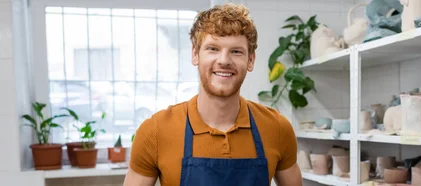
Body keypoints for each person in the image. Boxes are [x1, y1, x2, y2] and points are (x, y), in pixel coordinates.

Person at [123, 3, 302, 186]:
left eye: (236, 51)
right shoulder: (155, 132)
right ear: (195, 54)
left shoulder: (278, 129)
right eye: (213, 49)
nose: (224, 60)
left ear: (250, 60)